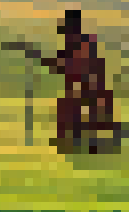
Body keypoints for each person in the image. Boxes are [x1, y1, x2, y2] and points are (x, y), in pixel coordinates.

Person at [42, 9, 117, 152]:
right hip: (82, 85)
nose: (66, 35)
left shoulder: (84, 43)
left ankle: (90, 142)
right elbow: (64, 65)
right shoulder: (71, 45)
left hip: (92, 84)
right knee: (69, 106)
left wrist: (62, 65)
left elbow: (80, 65)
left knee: (84, 109)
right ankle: (73, 139)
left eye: (68, 31)